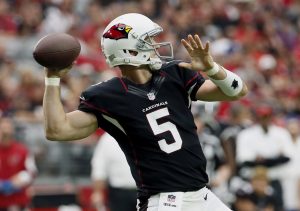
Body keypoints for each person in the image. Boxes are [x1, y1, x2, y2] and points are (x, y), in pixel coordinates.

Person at [42, 13, 248, 211]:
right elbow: (58, 130)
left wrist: (212, 68)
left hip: (203, 195)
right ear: (130, 51)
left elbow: (236, 91)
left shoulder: (174, 74)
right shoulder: (107, 96)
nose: (155, 46)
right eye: (148, 41)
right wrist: (52, 79)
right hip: (167, 201)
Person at [90, 132, 136, 211]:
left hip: (148, 191)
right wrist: (98, 192)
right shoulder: (107, 139)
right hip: (119, 194)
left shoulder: (145, 131)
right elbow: (99, 166)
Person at [0, 116, 37, 211]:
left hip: (18, 200)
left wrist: (20, 179)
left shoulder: (22, 150)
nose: (5, 132)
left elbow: (31, 172)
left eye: (7, 128)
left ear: (12, 130)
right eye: (3, 128)